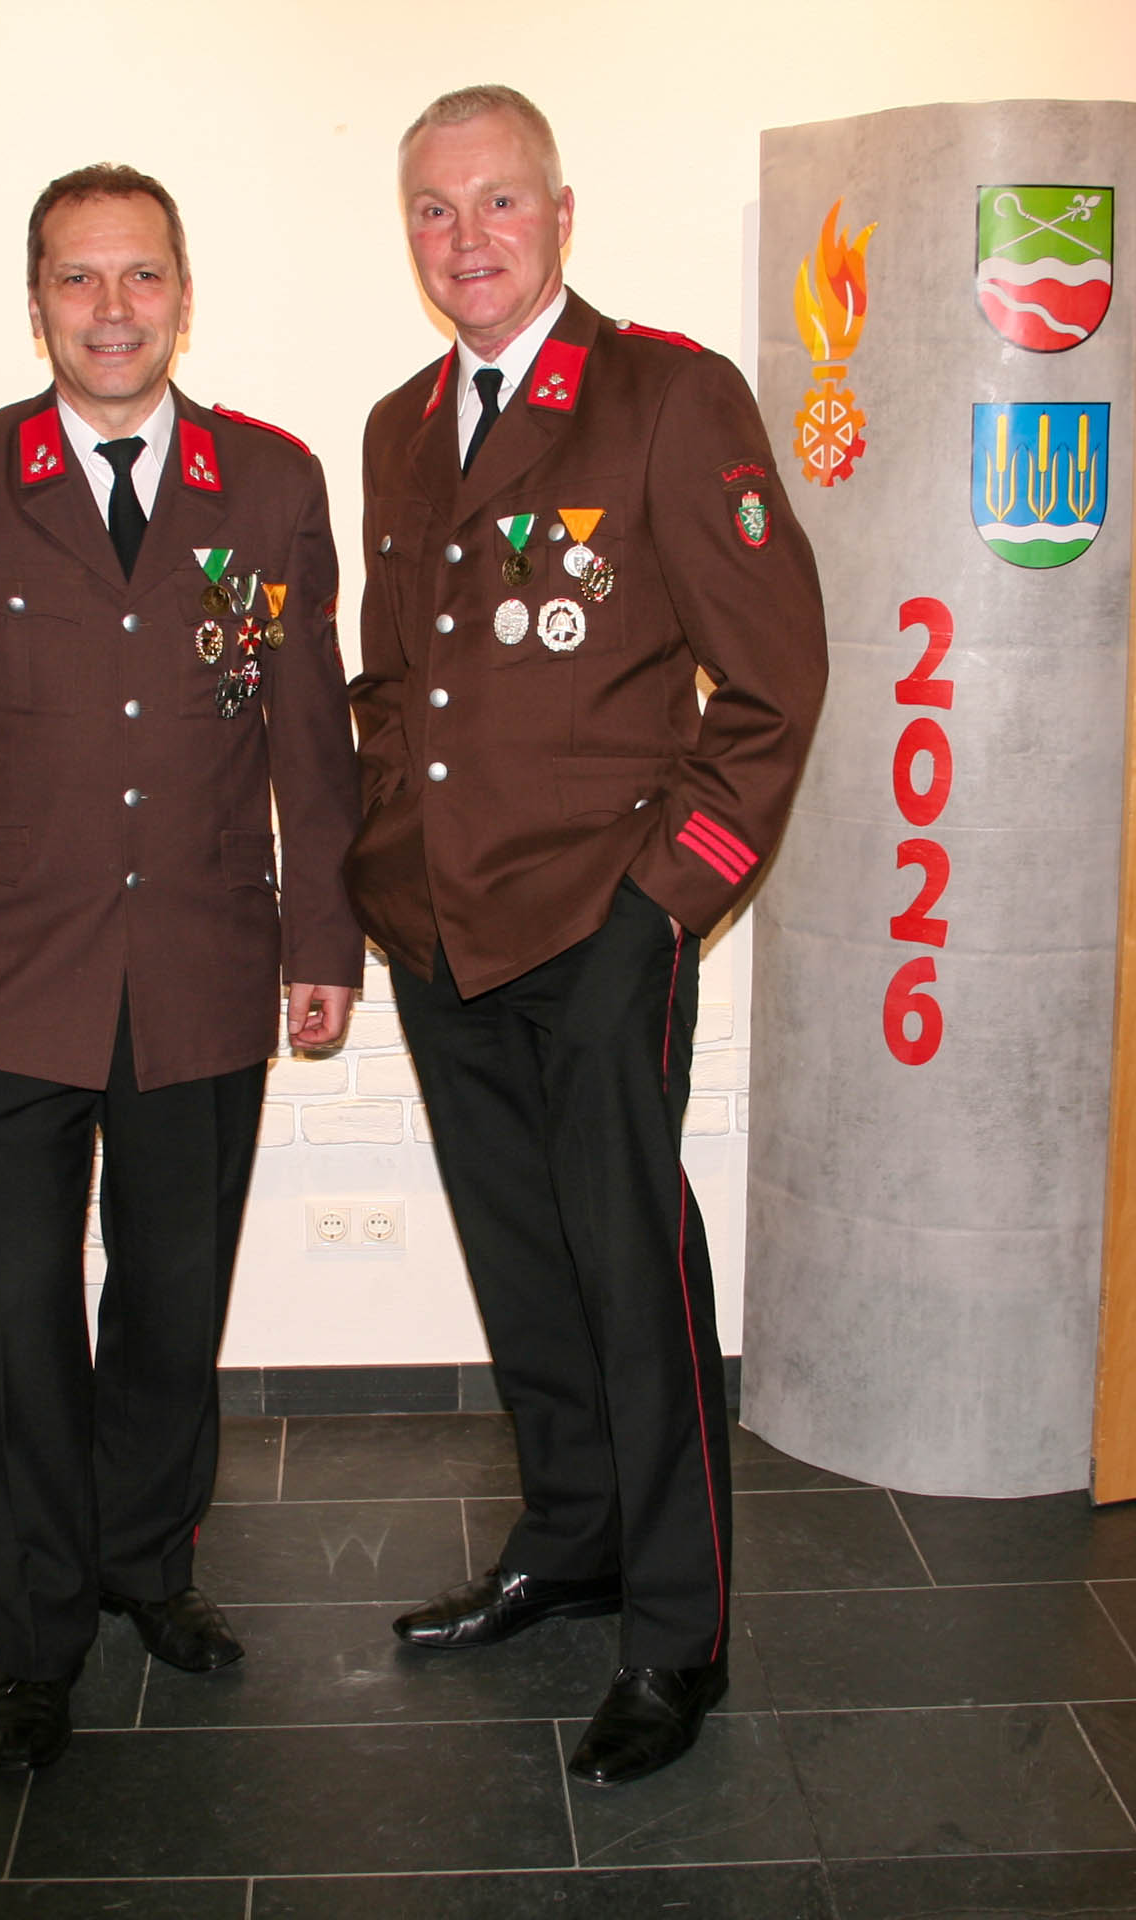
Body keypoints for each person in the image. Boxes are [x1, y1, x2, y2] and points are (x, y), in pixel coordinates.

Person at [344, 88, 826, 1786]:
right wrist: (375, 870)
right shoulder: (401, 427)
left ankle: (678, 1632)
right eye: (433, 208)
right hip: (440, 930)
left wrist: (662, 905)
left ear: (561, 212)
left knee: (635, 1276)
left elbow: (774, 688)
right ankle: (571, 1541)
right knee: (522, 1263)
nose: (466, 237)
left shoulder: (666, 397)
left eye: (498, 201)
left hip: (600, 920)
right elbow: (396, 684)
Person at [0, 163, 362, 1771]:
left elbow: (311, 737)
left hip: (204, 965)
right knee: (16, 1329)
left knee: (169, 1305)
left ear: (184, 297)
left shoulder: (267, 483)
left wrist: (324, 937)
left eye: (141, 275)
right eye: (78, 278)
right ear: (37, 305)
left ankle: (151, 1566)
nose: (112, 309)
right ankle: (38, 1637)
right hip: (2, 977)